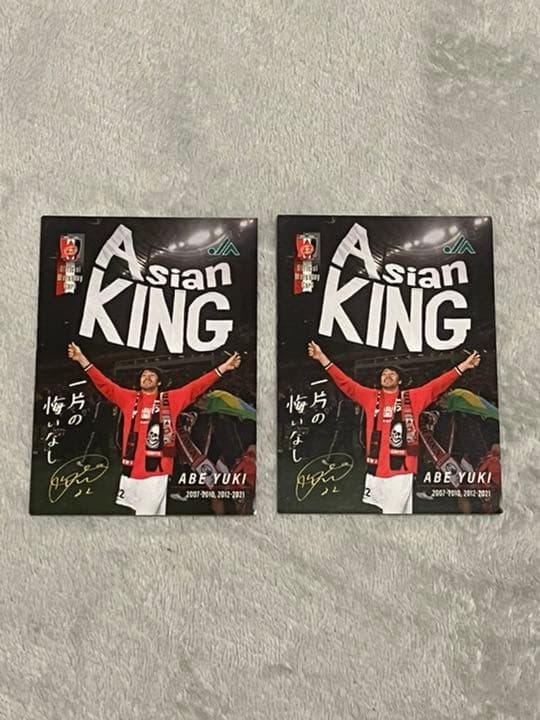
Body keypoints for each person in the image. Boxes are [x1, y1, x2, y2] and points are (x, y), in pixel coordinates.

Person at [67, 342, 241, 515]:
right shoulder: (128, 398)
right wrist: (81, 358)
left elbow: (196, 387)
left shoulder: (171, 400)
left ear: (159, 382)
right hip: (130, 471)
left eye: (152, 375)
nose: (147, 377)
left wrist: (223, 368)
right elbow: (104, 384)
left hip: (156, 472)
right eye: (144, 375)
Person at [307, 341, 481, 514]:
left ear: (400, 380)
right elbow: (345, 383)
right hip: (376, 470)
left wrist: (463, 367)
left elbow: (437, 385)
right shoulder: (370, 397)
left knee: (391, 515)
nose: (387, 376)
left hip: (401, 471)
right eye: (384, 373)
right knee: (396, 514)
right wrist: (321, 357)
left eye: (392, 373)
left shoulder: (412, 398)